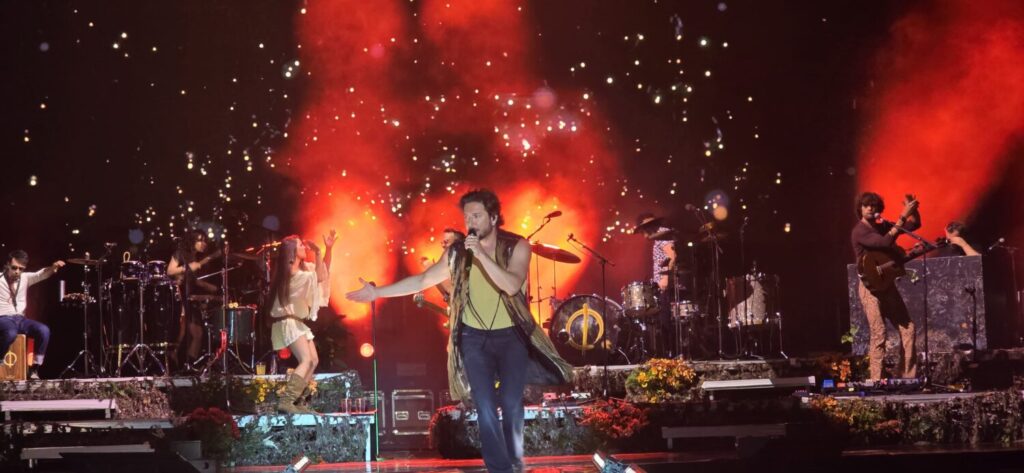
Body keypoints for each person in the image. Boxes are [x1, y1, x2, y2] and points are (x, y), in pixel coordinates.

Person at [347, 189, 572, 473]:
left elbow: (512, 285)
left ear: (493, 217)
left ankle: (514, 459)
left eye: (477, 216)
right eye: (467, 217)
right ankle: (500, 469)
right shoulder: (457, 253)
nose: (471, 222)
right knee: (485, 405)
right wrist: (377, 292)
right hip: (473, 337)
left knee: (511, 403)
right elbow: (424, 279)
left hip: (511, 336)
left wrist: (481, 255)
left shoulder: (517, 246)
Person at [851, 192, 921, 381]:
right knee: (879, 331)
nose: (870, 208)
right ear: (860, 208)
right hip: (869, 287)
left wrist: (913, 211)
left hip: (886, 284)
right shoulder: (860, 231)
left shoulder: (881, 226)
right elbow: (884, 242)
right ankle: (876, 380)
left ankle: (907, 376)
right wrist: (903, 215)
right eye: (866, 205)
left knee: (908, 327)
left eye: (873, 205)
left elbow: (912, 226)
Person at [267, 231, 335, 414]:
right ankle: (287, 401)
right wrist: (319, 253)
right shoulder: (291, 272)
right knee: (305, 360)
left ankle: (299, 401)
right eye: (300, 245)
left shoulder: (302, 271)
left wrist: (328, 250)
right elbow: (319, 276)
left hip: (297, 323)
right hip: (288, 321)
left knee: (313, 360)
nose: (304, 247)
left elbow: (323, 272)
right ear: (291, 252)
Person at [0, 250, 64, 380]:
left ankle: (34, 368)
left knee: (43, 330)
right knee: (10, 333)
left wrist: (53, 267)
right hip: (3, 318)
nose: (17, 271)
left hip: (21, 319)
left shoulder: (25, 278)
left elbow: (41, 274)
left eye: (21, 269)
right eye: (14, 268)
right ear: (7, 265)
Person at [166, 230, 220, 369]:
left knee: (197, 334)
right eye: (200, 240)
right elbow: (170, 271)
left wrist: (209, 288)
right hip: (177, 298)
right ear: (191, 241)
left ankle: (189, 365)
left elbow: (192, 280)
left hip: (187, 298)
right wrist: (190, 266)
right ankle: (172, 358)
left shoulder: (193, 257)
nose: (203, 244)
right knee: (183, 332)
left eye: (205, 240)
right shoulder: (181, 253)